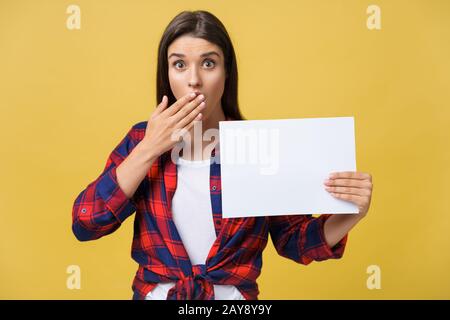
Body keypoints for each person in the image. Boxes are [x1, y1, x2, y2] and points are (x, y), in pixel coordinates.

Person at [72, 10, 373, 300]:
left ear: (227, 71)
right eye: (179, 65)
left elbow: (295, 242)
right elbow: (86, 223)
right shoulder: (140, 139)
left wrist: (351, 213)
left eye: (208, 63)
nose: (193, 80)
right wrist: (150, 147)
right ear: (166, 73)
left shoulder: (257, 146)